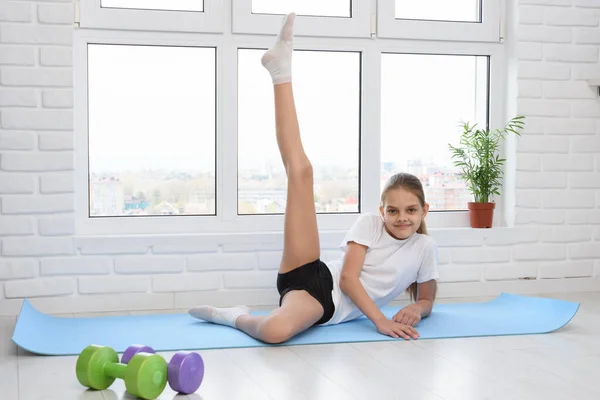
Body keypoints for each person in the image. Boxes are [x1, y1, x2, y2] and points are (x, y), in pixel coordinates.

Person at [188, 12, 439, 344]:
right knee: (302, 172)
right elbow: (348, 280)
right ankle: (280, 70)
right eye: (393, 210)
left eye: (410, 210)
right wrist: (381, 321)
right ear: (383, 211)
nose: (401, 217)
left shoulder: (425, 247)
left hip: (323, 306)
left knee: (276, 332)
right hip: (320, 282)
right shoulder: (370, 225)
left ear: (424, 210)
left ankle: (232, 314)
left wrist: (418, 310)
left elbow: (427, 299)